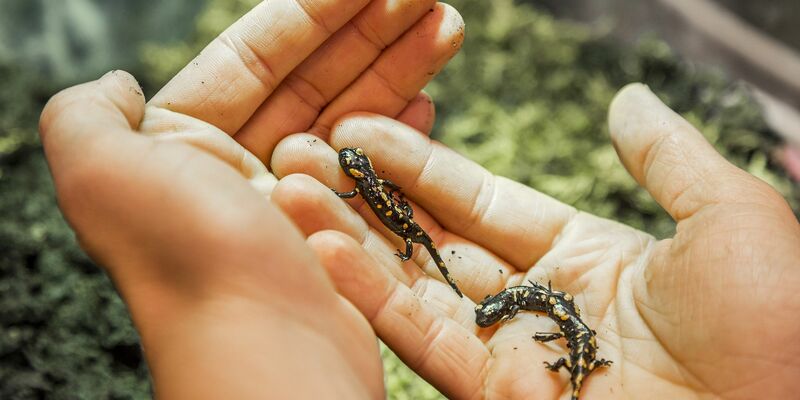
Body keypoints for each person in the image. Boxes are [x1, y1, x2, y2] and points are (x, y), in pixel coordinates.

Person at [38, 0, 800, 399]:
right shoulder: (364, 186)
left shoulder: (370, 191)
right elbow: (370, 193)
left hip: (411, 237)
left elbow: (376, 197)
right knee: (401, 228)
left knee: (409, 233)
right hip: (401, 229)